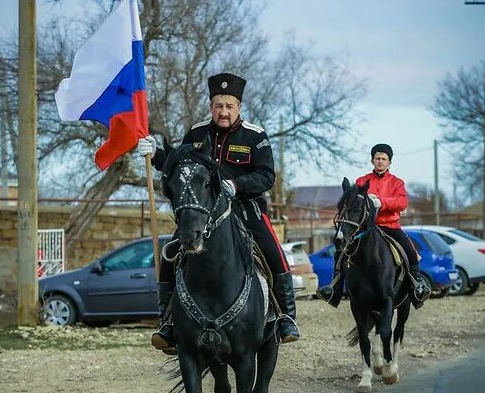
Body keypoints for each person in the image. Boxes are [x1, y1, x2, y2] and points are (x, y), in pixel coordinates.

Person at [138, 71, 300, 350]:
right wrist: (155, 155)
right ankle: (168, 322)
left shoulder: (255, 136)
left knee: (275, 253)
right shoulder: (196, 134)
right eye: (218, 105)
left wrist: (235, 186)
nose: (223, 112)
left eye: (229, 106)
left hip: (245, 211)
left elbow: (266, 176)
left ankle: (285, 316)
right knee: (170, 254)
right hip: (204, 213)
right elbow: (179, 167)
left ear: (238, 107)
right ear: (211, 105)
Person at [318, 143, 431, 309]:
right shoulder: (362, 181)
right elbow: (352, 202)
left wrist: (381, 202)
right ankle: (334, 288)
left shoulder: (397, 183)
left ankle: (417, 286)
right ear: (372, 160)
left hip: (389, 226)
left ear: (389, 162)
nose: (380, 161)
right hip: (365, 228)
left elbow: (402, 202)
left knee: (410, 252)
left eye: (384, 159)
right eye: (377, 158)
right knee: (341, 251)